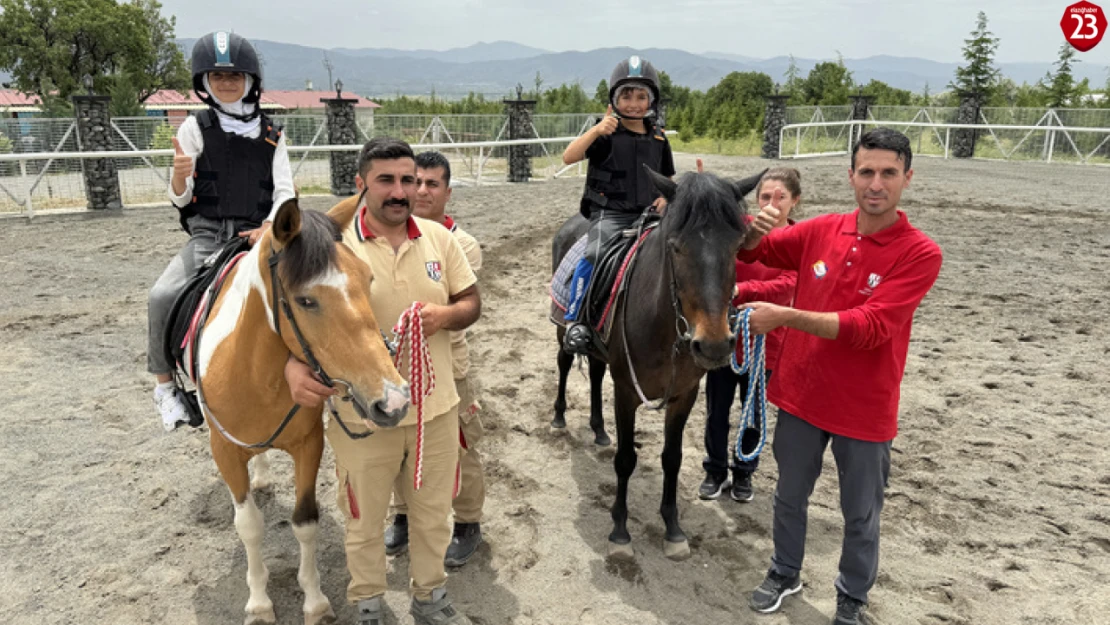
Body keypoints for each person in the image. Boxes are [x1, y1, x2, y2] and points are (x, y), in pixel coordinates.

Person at [739, 128, 942, 625]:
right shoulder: (820, 230)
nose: (876, 183)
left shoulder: (921, 252)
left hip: (865, 407)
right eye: (867, 172)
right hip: (802, 396)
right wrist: (754, 229)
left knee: (861, 513)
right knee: (789, 495)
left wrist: (786, 317)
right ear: (851, 176)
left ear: (907, 178)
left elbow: (871, 327)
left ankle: (852, 596)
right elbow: (752, 254)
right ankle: (785, 571)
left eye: (888, 173)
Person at [285, 138, 479, 625]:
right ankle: (368, 601)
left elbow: (471, 303)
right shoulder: (331, 247)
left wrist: (445, 314)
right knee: (364, 518)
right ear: (360, 185)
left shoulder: (439, 238)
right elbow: (297, 319)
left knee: (433, 515)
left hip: (434, 407)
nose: (400, 191)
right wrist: (292, 366)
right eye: (386, 180)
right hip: (360, 415)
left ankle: (430, 595)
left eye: (408, 180)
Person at [147, 31, 294, 431]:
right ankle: (167, 390)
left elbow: (285, 193)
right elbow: (181, 199)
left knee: (309, 291)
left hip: (257, 236)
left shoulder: (273, 135)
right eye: (217, 77)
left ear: (250, 82)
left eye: (234, 77)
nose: (226, 84)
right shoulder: (194, 129)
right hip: (210, 236)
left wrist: (268, 226)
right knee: (161, 295)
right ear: (205, 84)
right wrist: (179, 180)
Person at [384, 151, 486, 568]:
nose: (421, 191)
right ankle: (404, 513)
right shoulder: (385, 235)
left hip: (447, 364)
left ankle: (467, 521)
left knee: (461, 444)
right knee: (397, 443)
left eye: (431, 184)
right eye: (415, 182)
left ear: (447, 191)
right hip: (394, 363)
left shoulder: (460, 244)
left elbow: (457, 306)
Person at [559, 55, 675, 354]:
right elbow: (568, 157)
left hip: (649, 215)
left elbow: (667, 177)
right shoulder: (605, 134)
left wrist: (665, 197)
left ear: (652, 100)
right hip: (611, 214)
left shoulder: (660, 138)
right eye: (626, 96)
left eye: (641, 96)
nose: (634, 103)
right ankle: (576, 319)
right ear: (614, 99)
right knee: (594, 253)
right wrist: (596, 130)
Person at [699, 168, 800, 503]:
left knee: (753, 412)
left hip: (766, 343)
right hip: (727, 334)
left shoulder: (798, 240)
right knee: (716, 408)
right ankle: (714, 469)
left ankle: (744, 472)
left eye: (780, 197)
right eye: (765, 197)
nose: (771, 203)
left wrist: (741, 289)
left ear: (794, 201)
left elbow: (788, 285)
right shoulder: (740, 229)